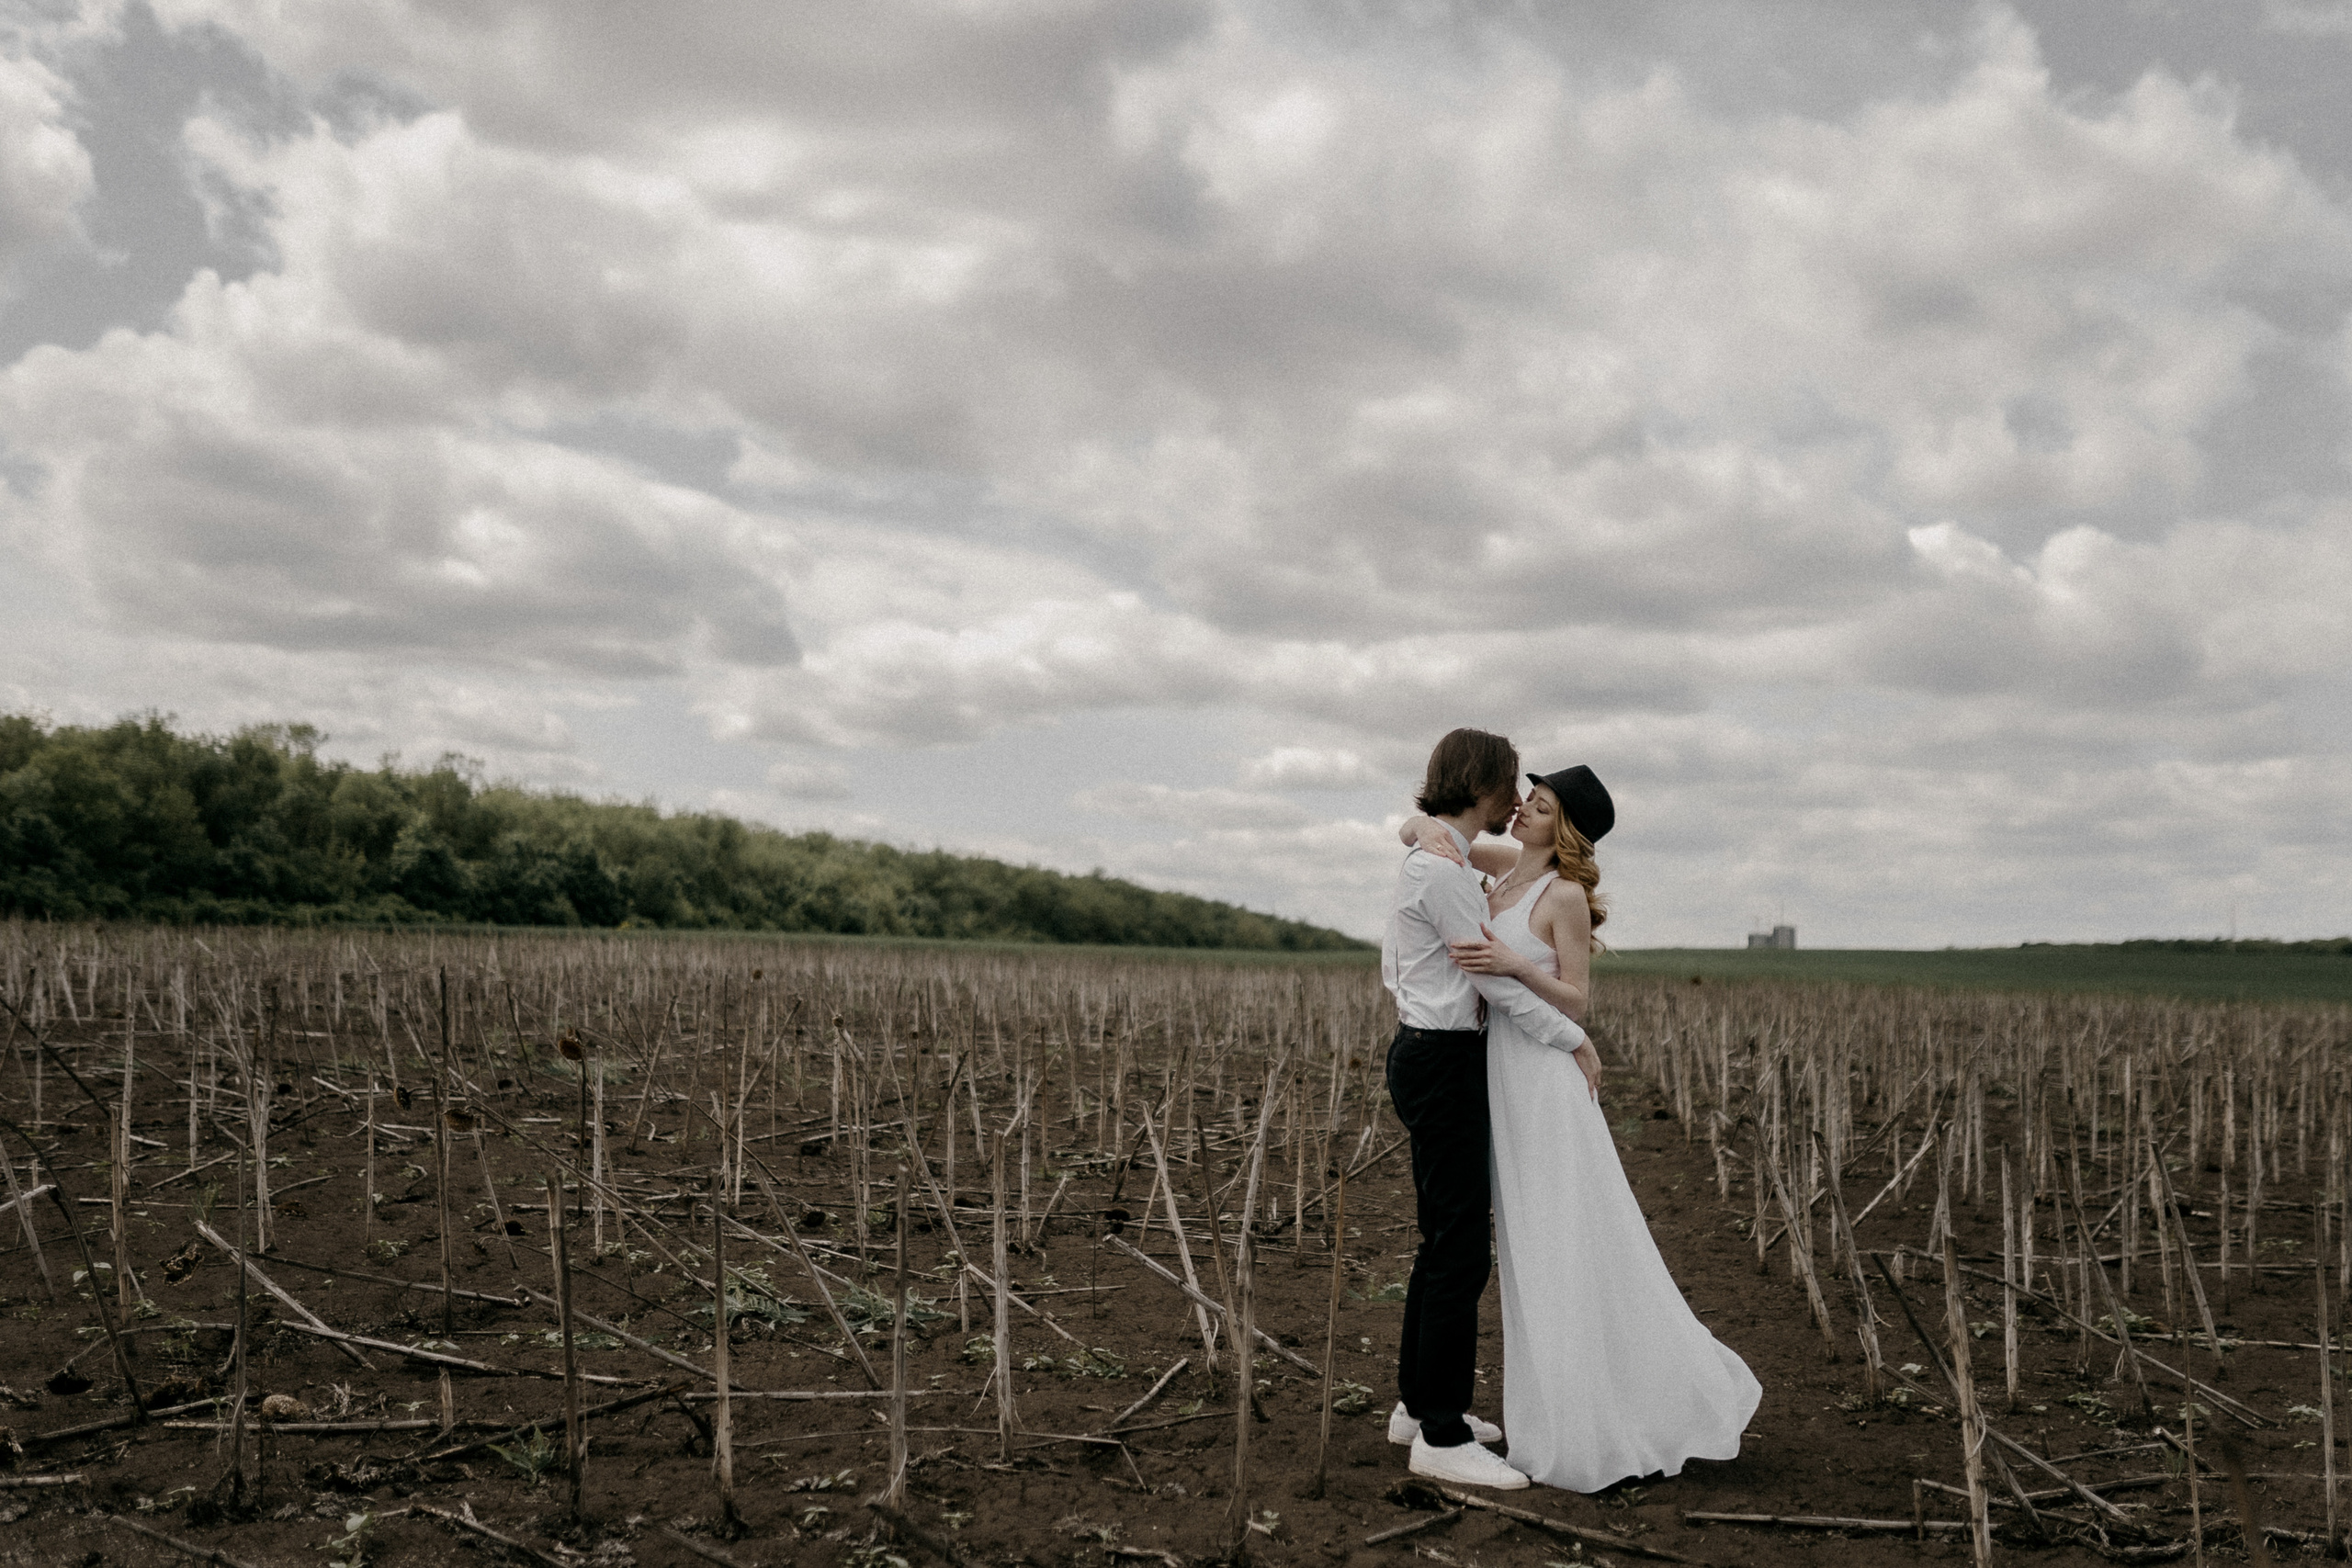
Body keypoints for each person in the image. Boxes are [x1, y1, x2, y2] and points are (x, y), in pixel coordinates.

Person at [1402, 764, 1761, 1492]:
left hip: (1540, 1077)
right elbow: (1419, 831)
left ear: (1564, 828)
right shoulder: (1501, 865)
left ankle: (1587, 1416)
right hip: (1497, 1068)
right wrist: (1424, 827)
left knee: (1555, 1233)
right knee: (1505, 1233)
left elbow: (1576, 1001)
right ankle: (1432, 1405)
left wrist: (1513, 963)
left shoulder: (1562, 893)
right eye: (1528, 800)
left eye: (1540, 807)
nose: (1522, 810)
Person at [1379, 728, 1593, 1491]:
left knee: (1444, 1239)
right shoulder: (1443, 872)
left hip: (1437, 1057)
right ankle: (1441, 1434)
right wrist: (1575, 1038)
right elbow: (1495, 983)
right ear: (1481, 785)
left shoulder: (1449, 857)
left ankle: (1417, 1406)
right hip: (1442, 1061)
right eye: (1511, 784)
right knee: (1461, 1250)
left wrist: (1418, 825)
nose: (1517, 799)